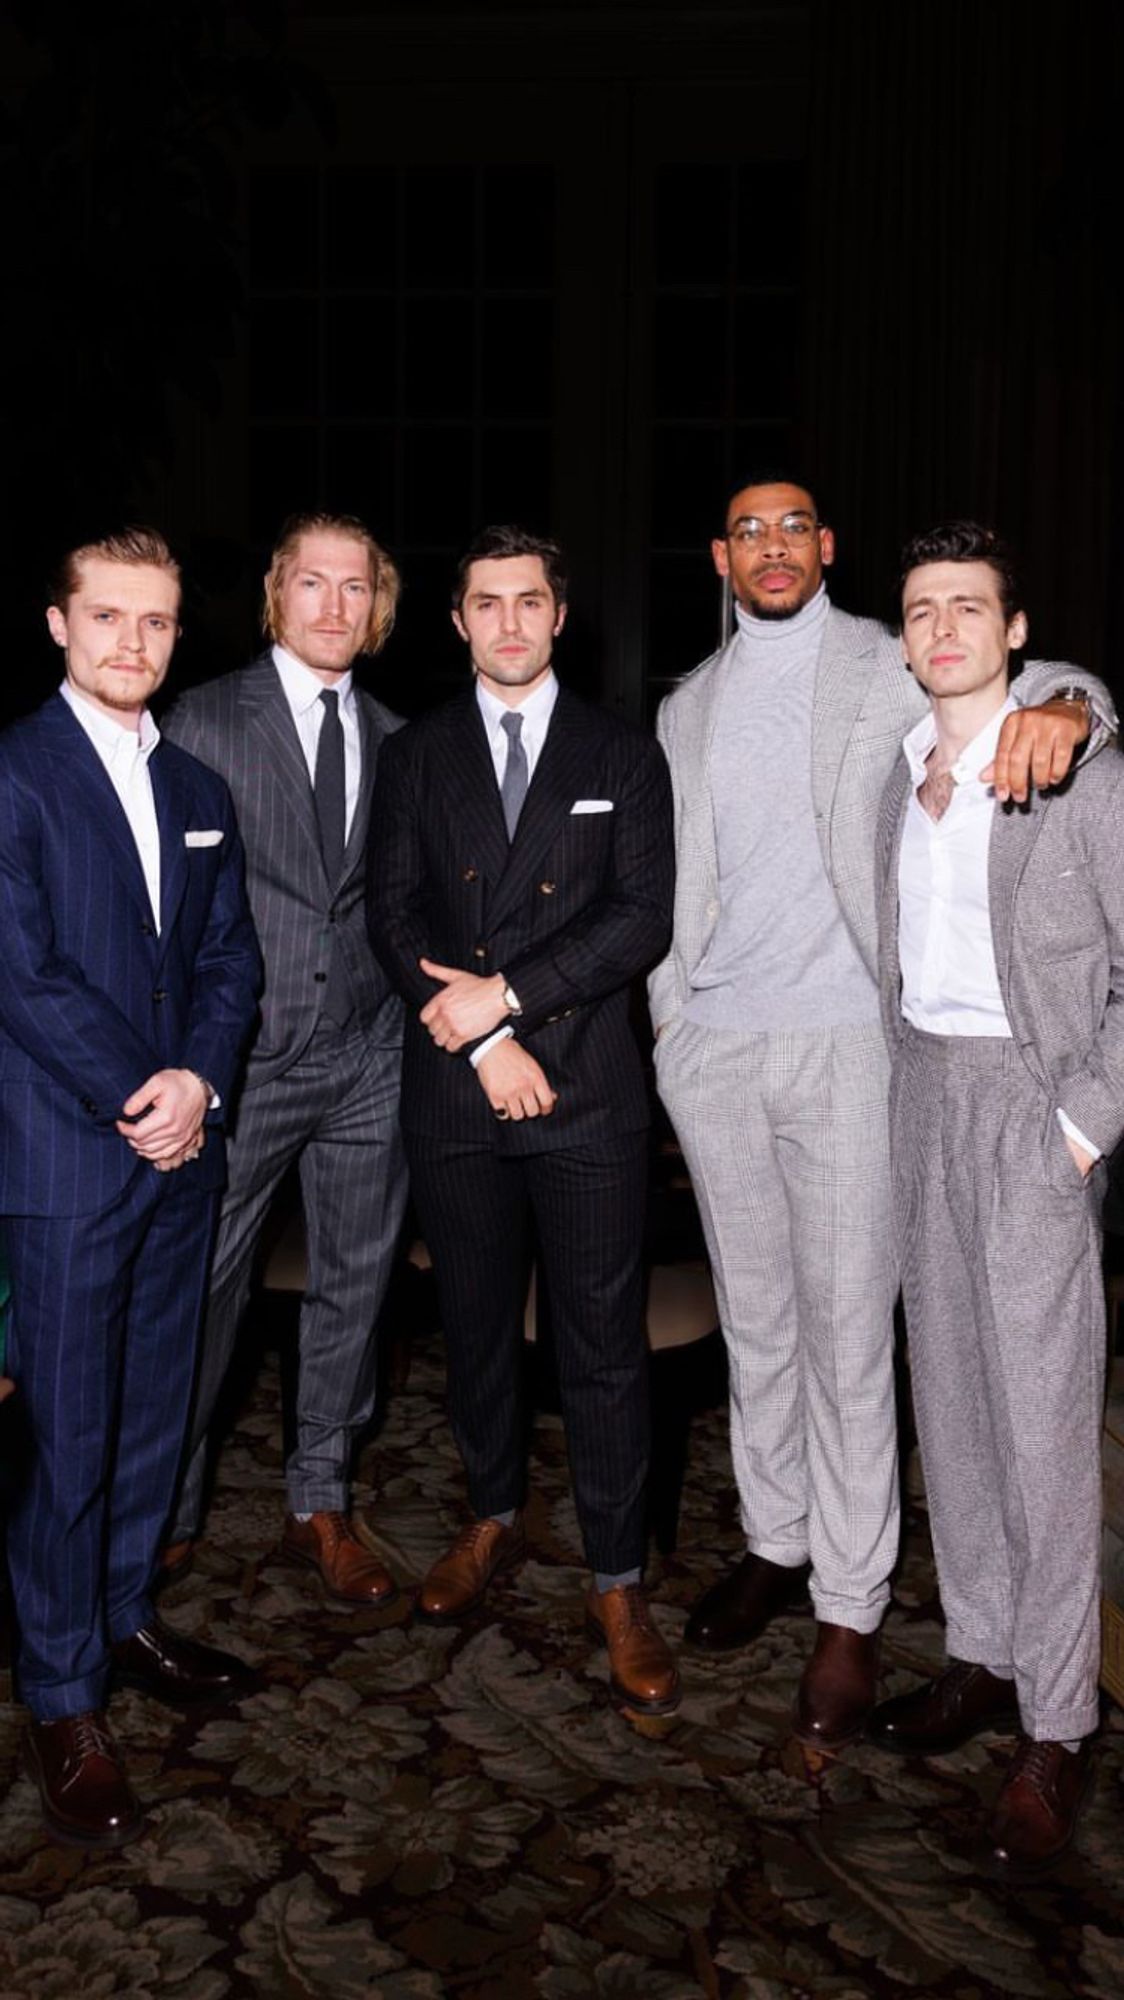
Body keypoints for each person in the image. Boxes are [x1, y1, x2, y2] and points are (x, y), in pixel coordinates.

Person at [648, 473, 1112, 1746]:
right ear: (719, 554)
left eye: (793, 524)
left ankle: (849, 1605)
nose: (771, 544)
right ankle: (775, 1538)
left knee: (853, 1332)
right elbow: (678, 873)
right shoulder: (685, 705)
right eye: (745, 527)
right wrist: (669, 1026)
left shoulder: (889, 659)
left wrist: (1078, 702)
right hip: (716, 1050)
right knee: (758, 1321)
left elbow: (1023, 676)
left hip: (855, 1045)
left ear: (825, 546)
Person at [366, 525, 679, 1714]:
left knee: (601, 1344)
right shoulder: (417, 755)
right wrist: (486, 1038)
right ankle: (491, 1511)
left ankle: (616, 1575)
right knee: (475, 1324)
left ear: (560, 617)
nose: (507, 621)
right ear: (456, 621)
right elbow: (390, 916)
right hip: (456, 1089)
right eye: (485, 602)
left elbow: (640, 916)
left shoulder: (621, 749)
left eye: (528, 601)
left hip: (589, 1088)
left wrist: (512, 1000)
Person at [0, 527, 262, 1848]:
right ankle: (57, 1691)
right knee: (65, 1433)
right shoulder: (14, 773)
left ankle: (120, 1617)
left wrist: (200, 1084)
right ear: (59, 623)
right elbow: (23, 970)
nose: (133, 645)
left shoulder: (198, 783)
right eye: (108, 618)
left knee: (158, 1405)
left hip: (181, 1153)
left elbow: (230, 962)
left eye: (155, 623)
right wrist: (143, 1093)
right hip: (66, 1159)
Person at [866, 522, 1120, 1875]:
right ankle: (980, 1652)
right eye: (922, 611)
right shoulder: (898, 771)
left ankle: (1060, 1725)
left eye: (969, 608)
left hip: (1033, 1107)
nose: (945, 629)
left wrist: (1083, 1125)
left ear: (1016, 632)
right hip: (924, 1098)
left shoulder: (1076, 763)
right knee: (952, 1397)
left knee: (1041, 1424)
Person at [161, 513, 409, 1603]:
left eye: (355, 587)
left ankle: (321, 1493)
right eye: (313, 583)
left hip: (370, 1053)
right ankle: (164, 1504)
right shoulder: (203, 720)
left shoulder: (401, 738)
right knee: (202, 1287)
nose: (334, 605)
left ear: (379, 605)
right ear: (277, 593)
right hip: (243, 1059)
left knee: (354, 1284)